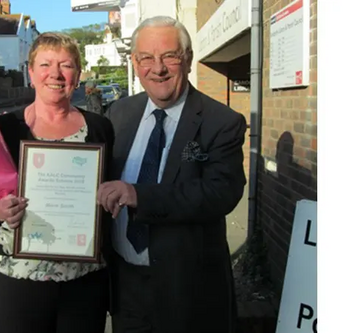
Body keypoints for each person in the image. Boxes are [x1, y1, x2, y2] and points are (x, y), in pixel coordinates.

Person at [97, 16, 247, 333]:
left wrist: (140, 195)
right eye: (146, 58)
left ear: (188, 59)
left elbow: (222, 192)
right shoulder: (118, 114)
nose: (158, 68)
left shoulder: (222, 121)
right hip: (127, 288)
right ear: (135, 63)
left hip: (188, 292)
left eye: (169, 56)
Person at [0, 32, 114, 333]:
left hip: (84, 281)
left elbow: (108, 201)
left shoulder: (100, 128)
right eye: (45, 64)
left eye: (66, 65)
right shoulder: (3, 129)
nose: (55, 74)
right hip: (19, 281)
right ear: (31, 73)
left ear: (78, 75)